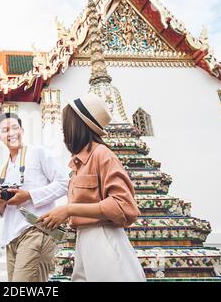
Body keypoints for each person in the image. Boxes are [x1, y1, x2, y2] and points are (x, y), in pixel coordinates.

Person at [37, 94, 146, 282]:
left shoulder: (103, 155)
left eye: (66, 125)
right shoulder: (78, 164)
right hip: (84, 239)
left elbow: (124, 206)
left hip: (104, 237)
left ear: (78, 125)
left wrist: (69, 209)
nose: (64, 132)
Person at [0, 112, 68, 282]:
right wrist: (1, 203)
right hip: (11, 237)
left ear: (22, 131)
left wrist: (30, 196)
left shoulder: (38, 152)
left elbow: (64, 183)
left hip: (36, 230)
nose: (11, 133)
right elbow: (1, 211)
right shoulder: (5, 168)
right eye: (5, 130)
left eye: (15, 127)